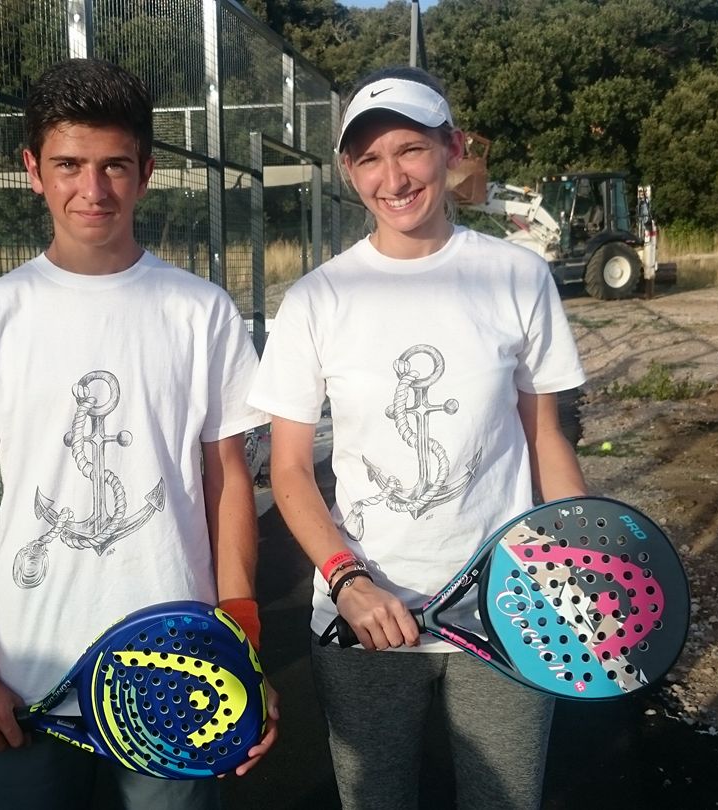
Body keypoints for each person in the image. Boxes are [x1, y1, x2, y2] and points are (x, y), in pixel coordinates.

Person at [0, 58, 277, 810]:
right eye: (69, 165)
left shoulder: (201, 312)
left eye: (114, 165)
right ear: (33, 170)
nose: (93, 189)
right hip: (24, 676)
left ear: (145, 172)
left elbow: (227, 483)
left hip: (176, 667)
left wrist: (241, 642)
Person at [247, 66, 588, 810]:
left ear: (451, 149)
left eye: (410, 149)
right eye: (369, 158)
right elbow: (291, 471)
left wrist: (576, 558)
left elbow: (546, 440)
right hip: (366, 619)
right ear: (349, 171)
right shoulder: (318, 299)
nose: (393, 178)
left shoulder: (517, 276)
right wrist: (349, 581)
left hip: (509, 606)